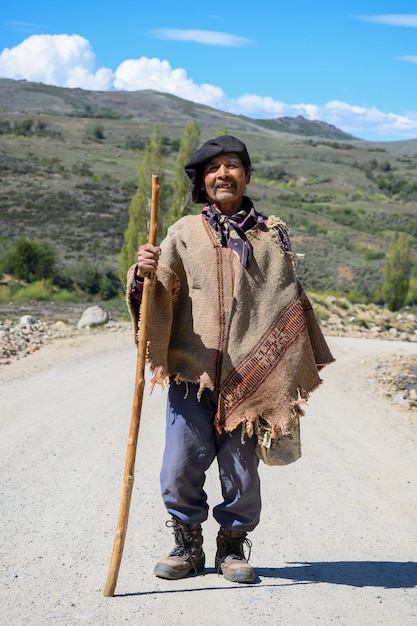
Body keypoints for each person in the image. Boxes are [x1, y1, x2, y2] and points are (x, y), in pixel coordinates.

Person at [127, 135, 334, 584]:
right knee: (180, 462)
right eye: (213, 168)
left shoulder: (270, 237)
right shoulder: (183, 233)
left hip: (249, 381)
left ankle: (233, 546)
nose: (223, 174)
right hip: (191, 373)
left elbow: (284, 303)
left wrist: (280, 367)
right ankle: (187, 543)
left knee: (242, 472)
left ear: (247, 176)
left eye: (232, 165)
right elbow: (158, 293)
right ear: (203, 182)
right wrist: (143, 273)